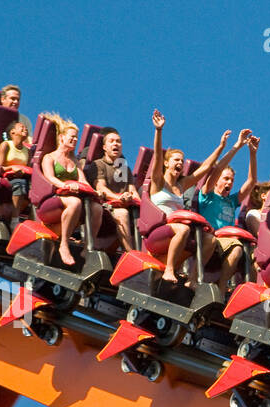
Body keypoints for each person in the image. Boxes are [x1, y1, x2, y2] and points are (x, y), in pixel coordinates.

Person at [145, 110, 226, 285]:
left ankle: (192, 279)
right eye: (176, 160)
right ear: (167, 163)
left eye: (182, 161)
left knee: (210, 240)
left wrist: (221, 147)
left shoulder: (182, 185)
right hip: (159, 230)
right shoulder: (158, 182)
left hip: (178, 230)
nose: (180, 164)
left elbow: (205, 168)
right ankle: (169, 269)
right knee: (183, 230)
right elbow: (158, 156)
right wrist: (158, 131)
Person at [194, 128, 258, 287]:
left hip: (226, 242)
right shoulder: (207, 194)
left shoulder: (231, 201)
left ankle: (227, 288)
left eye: (232, 180)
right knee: (228, 245)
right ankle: (196, 279)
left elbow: (251, 182)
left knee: (245, 252)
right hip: (208, 238)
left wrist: (252, 154)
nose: (229, 183)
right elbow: (216, 170)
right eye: (226, 179)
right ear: (216, 181)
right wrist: (236, 146)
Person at [39, 121, 90, 267]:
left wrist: (96, 193)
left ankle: (88, 248)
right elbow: (50, 177)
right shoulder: (50, 158)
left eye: (76, 138)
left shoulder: (75, 161)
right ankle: (64, 245)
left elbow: (83, 180)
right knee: (75, 202)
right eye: (72, 137)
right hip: (53, 199)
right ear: (61, 137)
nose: (75, 140)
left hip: (70, 198)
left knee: (94, 208)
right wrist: (66, 185)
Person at [91, 129, 139, 253]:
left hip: (125, 204)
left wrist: (131, 197)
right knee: (122, 213)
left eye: (118, 141)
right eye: (111, 141)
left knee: (143, 216)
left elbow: (132, 189)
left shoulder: (123, 168)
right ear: (104, 147)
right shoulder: (98, 164)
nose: (115, 144)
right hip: (105, 205)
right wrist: (118, 198)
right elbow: (101, 187)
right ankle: (130, 253)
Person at [0, 120, 31, 219]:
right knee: (20, 184)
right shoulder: (6, 145)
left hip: (22, 178)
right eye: (21, 127)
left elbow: (28, 168)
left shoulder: (27, 150)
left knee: (31, 187)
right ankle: (15, 219)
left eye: (26, 128)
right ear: (12, 132)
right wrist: (11, 168)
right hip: (7, 177)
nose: (25, 129)